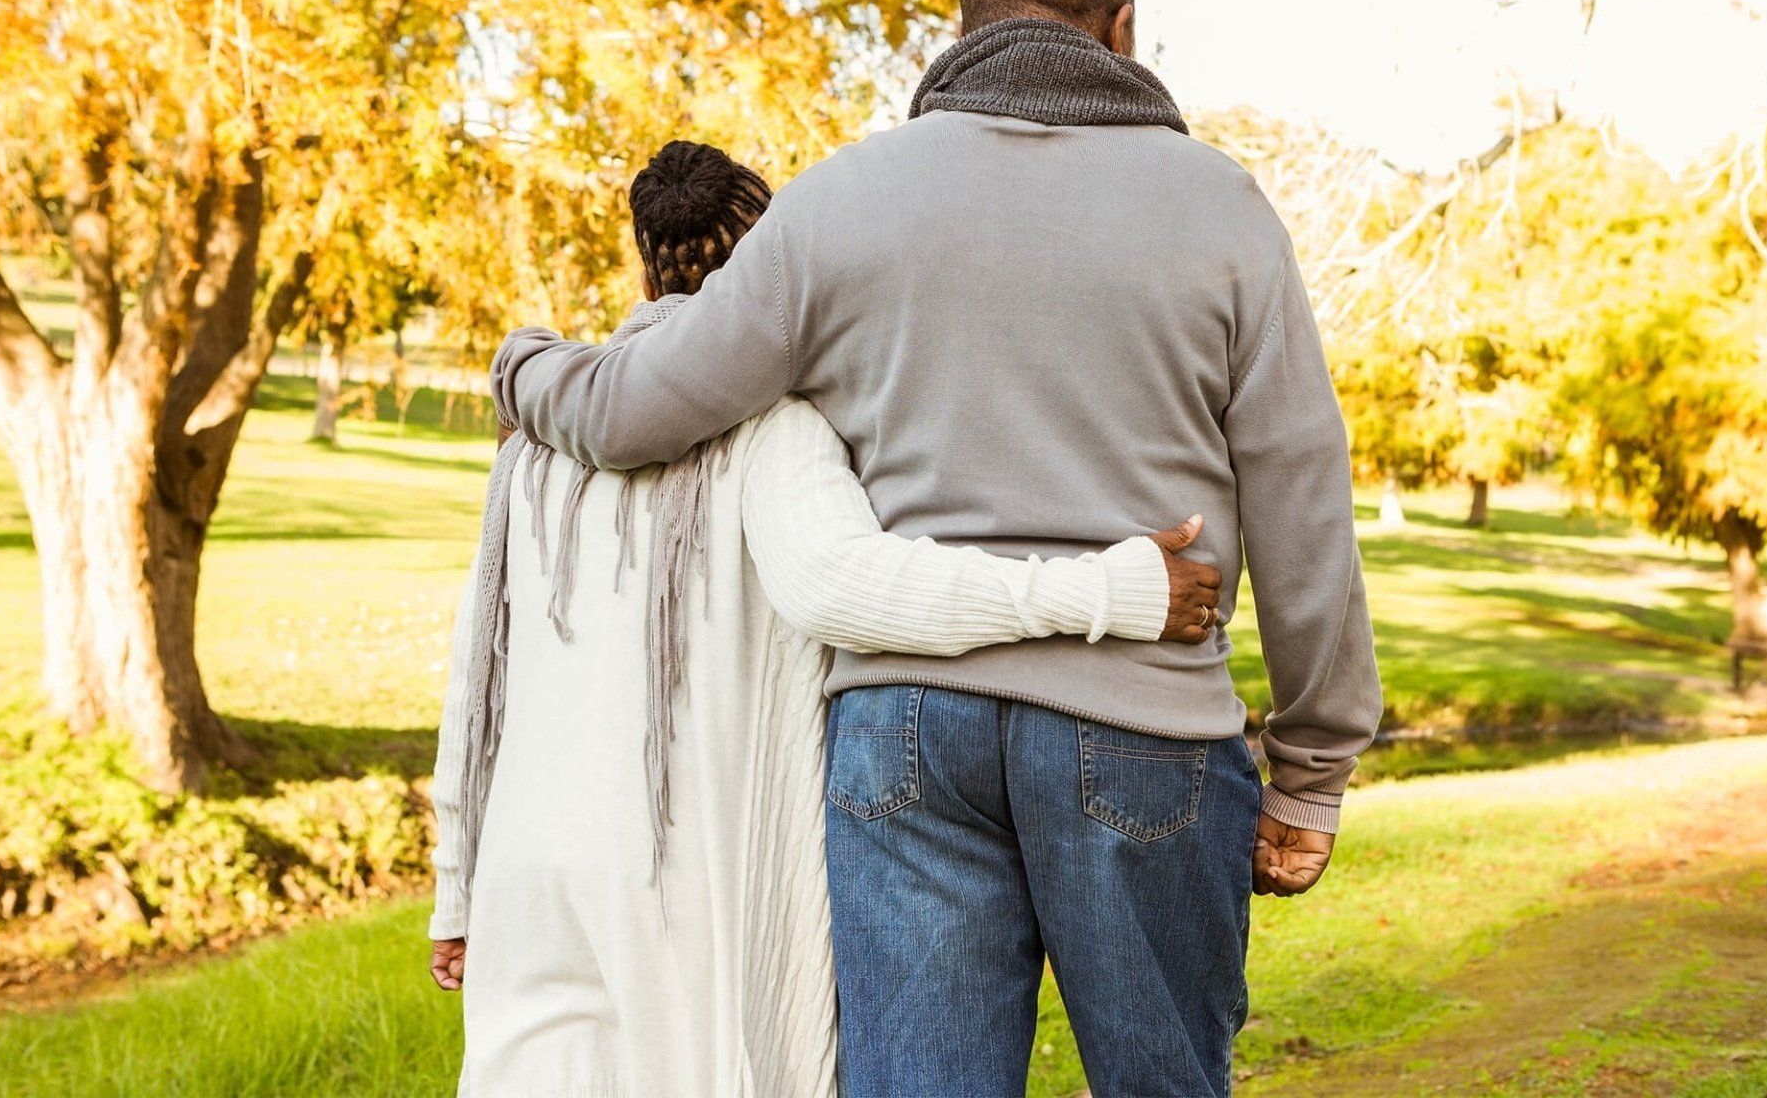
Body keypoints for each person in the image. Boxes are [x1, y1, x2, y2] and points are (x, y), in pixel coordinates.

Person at [490, 0, 1385, 1097]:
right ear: (1121, 29)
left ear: (961, 31)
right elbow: (1303, 500)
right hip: (1140, 730)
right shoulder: (1222, 208)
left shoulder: (840, 202)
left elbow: (634, 411)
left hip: (904, 731)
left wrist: (524, 368)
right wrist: (1312, 766)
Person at [429, 141, 1222, 1097]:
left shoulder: (540, 446)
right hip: (687, 877)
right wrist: (1106, 593)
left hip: (532, 870)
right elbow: (844, 587)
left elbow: (480, 675)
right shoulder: (774, 429)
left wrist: (457, 883)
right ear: (775, 261)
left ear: (644, 256)